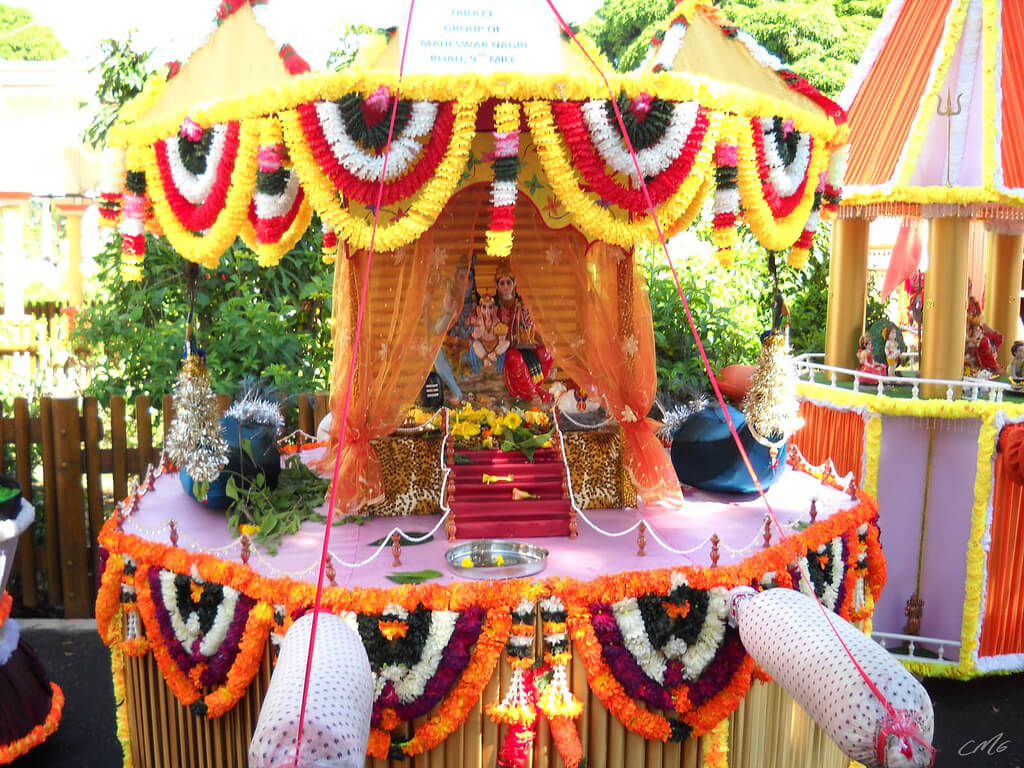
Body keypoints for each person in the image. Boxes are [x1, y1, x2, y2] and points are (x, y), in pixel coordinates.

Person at [494, 262, 553, 402]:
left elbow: (531, 329)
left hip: (524, 345)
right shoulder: (492, 307)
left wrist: (545, 342)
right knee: (514, 358)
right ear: (497, 286)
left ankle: (532, 389)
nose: (506, 287)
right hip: (504, 350)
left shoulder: (522, 305)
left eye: (509, 282)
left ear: (514, 284)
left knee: (547, 353)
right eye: (502, 283)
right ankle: (534, 395)